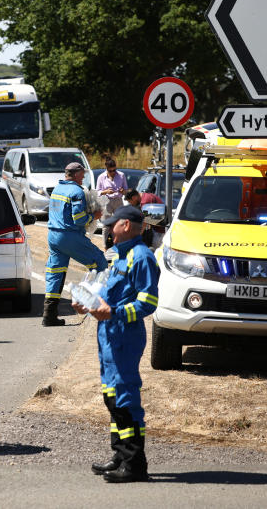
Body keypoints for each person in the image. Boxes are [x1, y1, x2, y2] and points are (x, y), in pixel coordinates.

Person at [71, 205, 159, 483]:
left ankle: (134, 464)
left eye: (112, 224)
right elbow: (106, 293)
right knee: (112, 397)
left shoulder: (141, 257)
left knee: (125, 399)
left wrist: (115, 313)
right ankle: (120, 455)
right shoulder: (118, 257)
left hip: (124, 335)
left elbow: (148, 303)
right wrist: (86, 303)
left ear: (127, 226)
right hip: (108, 335)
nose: (108, 228)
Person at [44, 162, 108, 326]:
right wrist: (94, 216)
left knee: (55, 273)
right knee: (99, 262)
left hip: (53, 236)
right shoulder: (77, 192)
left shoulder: (57, 189)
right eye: (83, 173)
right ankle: (93, 305)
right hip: (69, 236)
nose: (84, 176)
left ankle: (49, 316)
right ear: (77, 174)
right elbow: (78, 219)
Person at [96, 158, 126, 249]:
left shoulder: (121, 175)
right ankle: (106, 247)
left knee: (121, 223)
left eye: (114, 170)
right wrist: (106, 192)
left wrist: (123, 191)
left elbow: (126, 190)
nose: (113, 172)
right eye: (110, 170)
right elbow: (97, 191)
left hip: (118, 200)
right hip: (107, 201)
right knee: (106, 225)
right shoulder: (101, 177)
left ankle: (119, 244)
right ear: (106, 168)